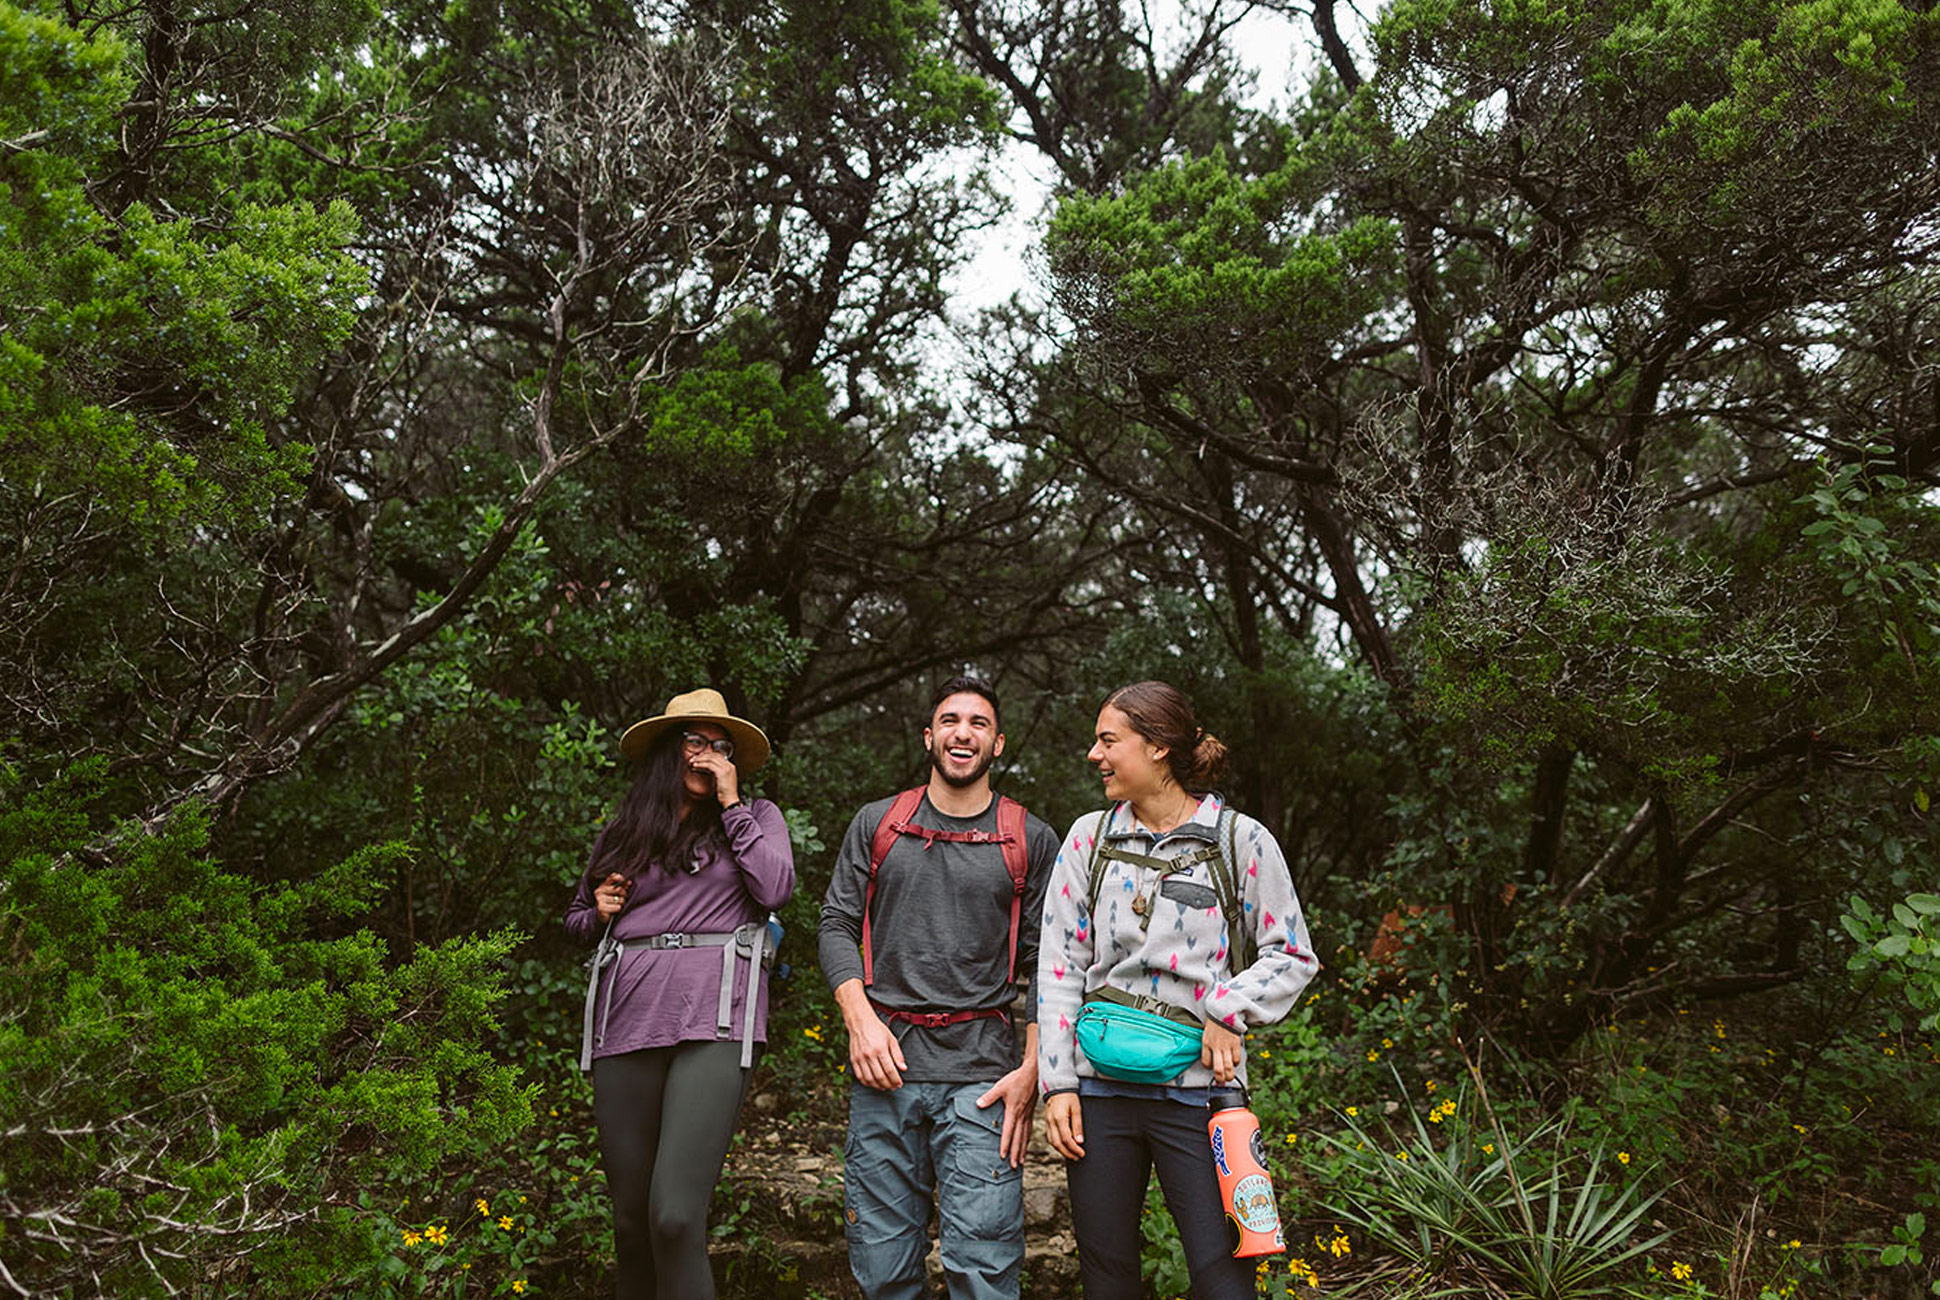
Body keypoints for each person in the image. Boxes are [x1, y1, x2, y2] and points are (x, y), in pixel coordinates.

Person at [1037, 680, 1320, 1300]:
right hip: (1098, 1093)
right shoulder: (1088, 839)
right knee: (1107, 1280)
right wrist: (1057, 1085)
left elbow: (1293, 954)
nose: (1094, 754)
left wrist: (1226, 1009)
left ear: (1159, 747)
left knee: (1224, 1280)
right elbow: (1059, 968)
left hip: (1203, 1095)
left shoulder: (1240, 840)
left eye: (1109, 740)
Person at [818, 675, 1061, 1300]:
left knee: (984, 1268)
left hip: (984, 1076)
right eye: (951, 720)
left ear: (998, 744)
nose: (963, 733)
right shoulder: (879, 823)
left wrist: (1033, 1068)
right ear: (929, 737)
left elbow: (1050, 959)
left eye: (979, 723)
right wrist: (860, 1021)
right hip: (884, 1069)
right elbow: (837, 922)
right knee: (882, 1267)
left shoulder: (1030, 837)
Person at [565, 687, 795, 1300]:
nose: (708, 754)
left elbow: (775, 889)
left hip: (714, 1021)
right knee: (630, 1223)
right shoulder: (625, 831)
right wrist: (598, 910)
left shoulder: (757, 818)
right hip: (626, 1021)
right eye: (695, 741)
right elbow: (578, 919)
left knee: (674, 1216)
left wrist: (732, 804)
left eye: (722, 747)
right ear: (670, 750)